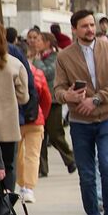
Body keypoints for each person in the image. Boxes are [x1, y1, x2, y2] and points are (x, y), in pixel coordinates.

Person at [56, 11, 108, 215]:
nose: (90, 29)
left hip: (107, 117)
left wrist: (96, 99)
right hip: (80, 122)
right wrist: (68, 96)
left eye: (91, 25)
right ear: (74, 29)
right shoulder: (65, 56)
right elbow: (58, 89)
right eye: (84, 26)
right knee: (87, 174)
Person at [28, 29, 74, 183]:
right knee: (40, 135)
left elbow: (47, 72)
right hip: (39, 100)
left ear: (47, 43)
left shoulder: (55, 57)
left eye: (38, 40)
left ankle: (71, 159)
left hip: (53, 101)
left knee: (55, 133)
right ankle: (42, 168)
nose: (35, 42)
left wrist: (37, 60)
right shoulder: (36, 56)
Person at [17, 31, 53, 203]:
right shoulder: (38, 73)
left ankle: (20, 183)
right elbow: (46, 98)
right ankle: (29, 188)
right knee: (33, 155)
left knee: (17, 155)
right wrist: (42, 116)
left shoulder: (10, 71)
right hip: (36, 118)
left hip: (16, 119)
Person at [0, 23, 28, 196]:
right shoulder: (14, 64)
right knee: (9, 167)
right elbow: (24, 97)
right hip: (8, 124)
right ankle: (5, 204)